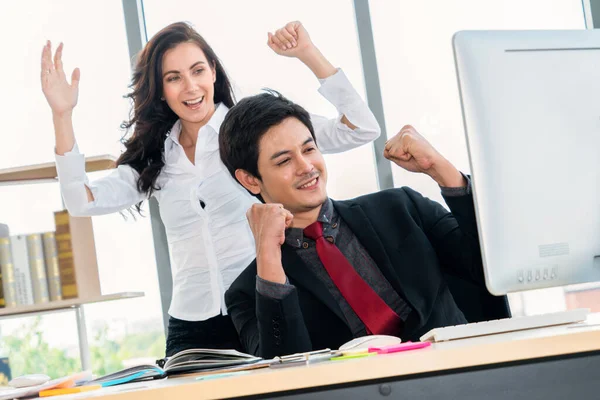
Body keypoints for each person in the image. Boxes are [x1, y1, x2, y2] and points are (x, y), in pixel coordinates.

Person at [40, 21, 380, 356]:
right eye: (174, 78)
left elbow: (361, 129)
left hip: (261, 306)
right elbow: (80, 201)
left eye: (198, 71)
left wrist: (308, 54)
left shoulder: (256, 130)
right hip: (191, 324)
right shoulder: (156, 156)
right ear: (160, 90)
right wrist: (62, 115)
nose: (190, 87)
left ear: (213, 72)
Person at [219, 92, 489, 358]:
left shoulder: (401, 208)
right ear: (250, 180)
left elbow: (486, 266)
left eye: (309, 149)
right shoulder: (248, 293)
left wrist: (441, 170)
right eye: (284, 160)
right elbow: (285, 372)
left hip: (456, 376)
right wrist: (267, 253)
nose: (306, 166)